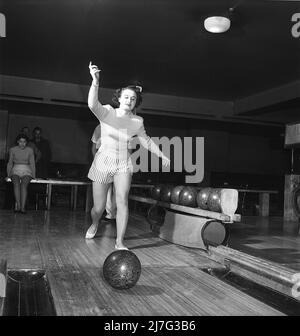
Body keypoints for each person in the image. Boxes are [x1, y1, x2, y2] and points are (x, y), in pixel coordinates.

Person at [85, 62, 170, 250]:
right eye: (126, 97)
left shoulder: (137, 121)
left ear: (135, 102)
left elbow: (146, 140)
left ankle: (119, 242)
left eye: (133, 98)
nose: (129, 100)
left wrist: (162, 156)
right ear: (119, 98)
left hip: (123, 163)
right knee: (98, 209)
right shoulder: (107, 112)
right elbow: (92, 104)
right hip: (103, 161)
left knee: (121, 201)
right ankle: (94, 223)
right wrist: (96, 82)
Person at [91, 124, 116, 221]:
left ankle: (112, 214)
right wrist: (96, 162)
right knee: (106, 188)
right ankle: (107, 214)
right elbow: (93, 148)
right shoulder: (98, 127)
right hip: (102, 161)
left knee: (115, 189)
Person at [6, 133, 36, 213]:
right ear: (17, 142)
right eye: (20, 141)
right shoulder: (12, 149)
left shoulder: (30, 150)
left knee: (23, 185)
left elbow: (32, 163)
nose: (22, 144)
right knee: (16, 184)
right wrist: (8, 174)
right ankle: (18, 206)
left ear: (26, 142)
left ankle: (23, 208)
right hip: (15, 169)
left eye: (24, 142)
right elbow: (10, 163)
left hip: (27, 170)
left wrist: (33, 175)